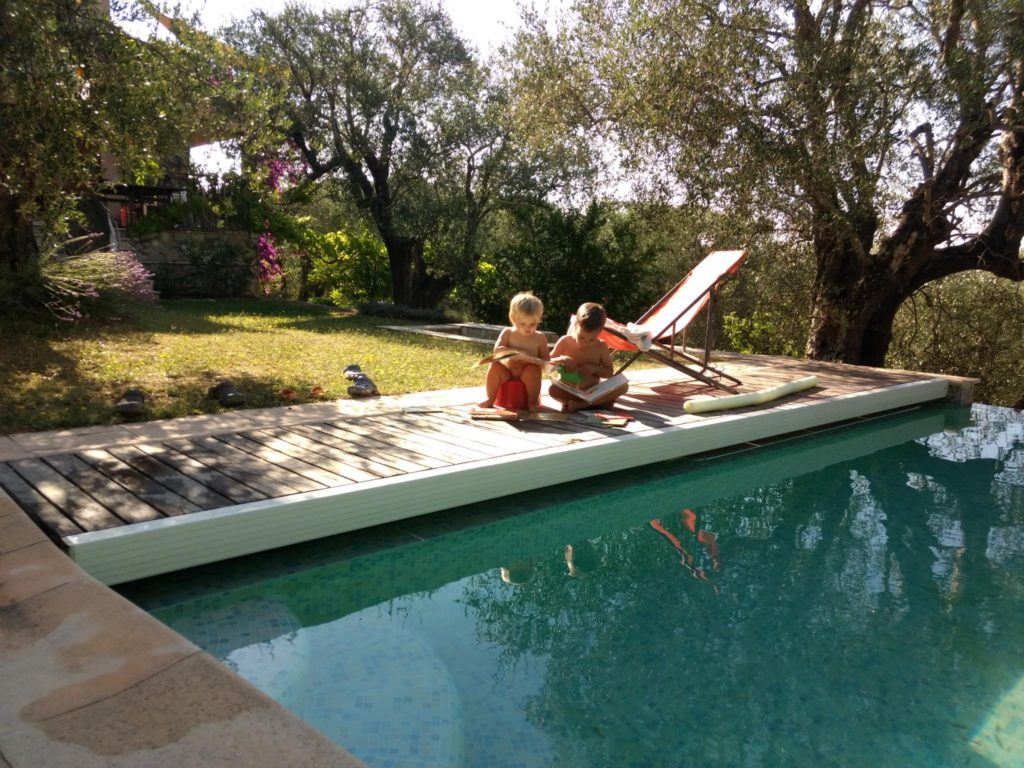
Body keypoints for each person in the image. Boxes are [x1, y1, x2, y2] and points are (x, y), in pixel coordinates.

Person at [548, 302, 629, 413]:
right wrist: (562, 359)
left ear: (600, 332)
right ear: (575, 325)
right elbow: (546, 362)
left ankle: (582, 405)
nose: (585, 343)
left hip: (592, 391)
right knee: (553, 390)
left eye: (591, 339)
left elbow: (609, 372)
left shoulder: (601, 346)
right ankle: (598, 404)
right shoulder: (565, 341)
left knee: (624, 386)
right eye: (581, 337)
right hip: (570, 391)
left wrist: (595, 369)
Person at [478, 291, 550, 412]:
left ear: (539, 320)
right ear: (513, 319)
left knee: (534, 370)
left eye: (533, 324)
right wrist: (517, 352)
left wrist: (537, 361)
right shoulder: (508, 333)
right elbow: (497, 350)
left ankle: (532, 402)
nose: (528, 328)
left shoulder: (540, 338)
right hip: (507, 373)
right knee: (494, 365)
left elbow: (546, 360)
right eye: (523, 324)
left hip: (527, 375)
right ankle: (490, 398)